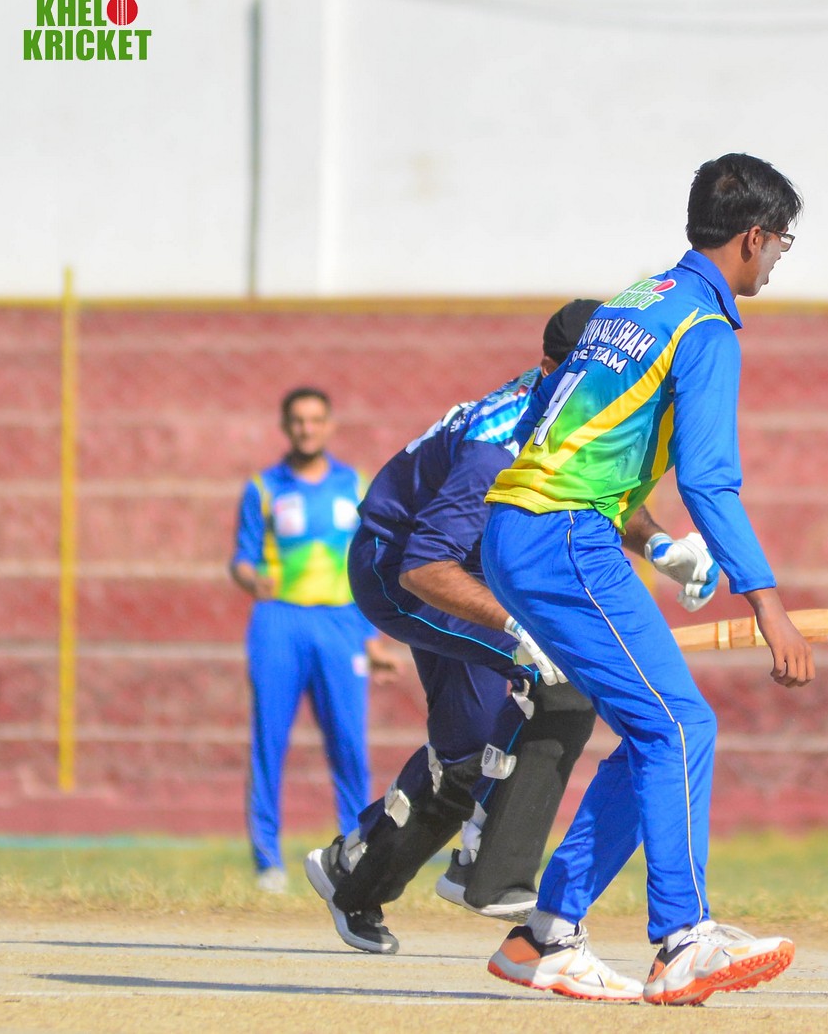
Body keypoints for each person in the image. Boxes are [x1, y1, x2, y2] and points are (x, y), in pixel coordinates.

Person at [480, 153, 815, 1006]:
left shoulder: (635, 299)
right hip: (565, 536)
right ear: (753, 238)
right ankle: (684, 940)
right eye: (783, 242)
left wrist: (659, 547)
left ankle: (545, 935)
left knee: (653, 730)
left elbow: (567, 428)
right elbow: (709, 479)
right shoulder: (705, 326)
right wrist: (769, 603)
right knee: (679, 725)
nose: (779, 259)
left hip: (526, 527)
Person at [302, 300, 721, 955]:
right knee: (558, 681)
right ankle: (488, 869)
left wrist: (661, 546)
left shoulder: (581, 406)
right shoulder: (495, 445)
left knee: (467, 752)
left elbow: (590, 491)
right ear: (552, 367)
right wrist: (516, 630)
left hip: (473, 567)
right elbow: (423, 566)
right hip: (402, 570)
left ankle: (352, 874)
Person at [230, 387, 395, 893]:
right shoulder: (263, 487)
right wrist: (249, 578)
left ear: (329, 425)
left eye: (315, 419)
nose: (306, 428)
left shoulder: (354, 485)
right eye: (297, 420)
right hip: (279, 623)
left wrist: (372, 637)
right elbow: (242, 558)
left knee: (349, 743)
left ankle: (354, 855)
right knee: (269, 741)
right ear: (286, 426)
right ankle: (268, 864)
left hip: (341, 625)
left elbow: (368, 564)